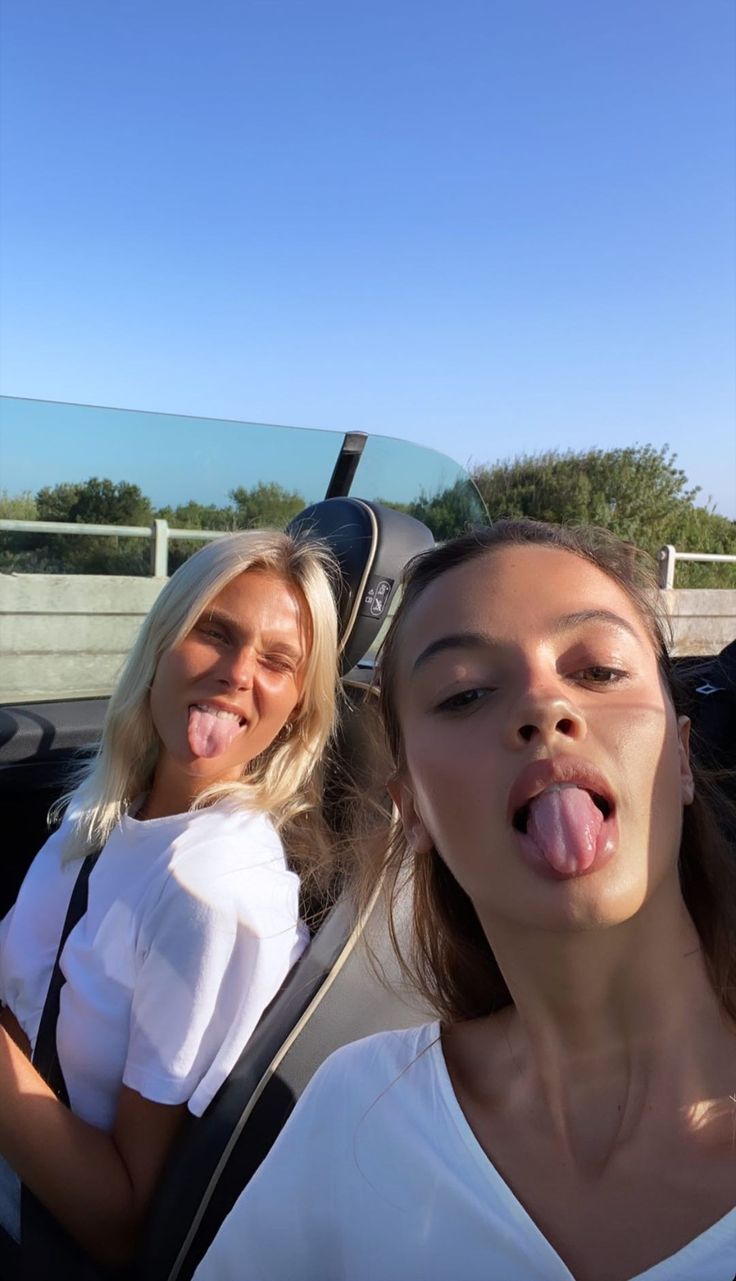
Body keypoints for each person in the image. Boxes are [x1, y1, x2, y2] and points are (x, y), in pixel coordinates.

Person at [194, 521, 736, 1281]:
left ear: (680, 754)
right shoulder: (357, 1108)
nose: (544, 705)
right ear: (410, 808)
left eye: (599, 670)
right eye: (466, 693)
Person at [0, 528, 340, 1268]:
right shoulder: (107, 811)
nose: (238, 673)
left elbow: (122, 1225)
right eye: (214, 632)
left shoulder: (209, 891)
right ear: (160, 646)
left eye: (277, 662)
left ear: (297, 709)